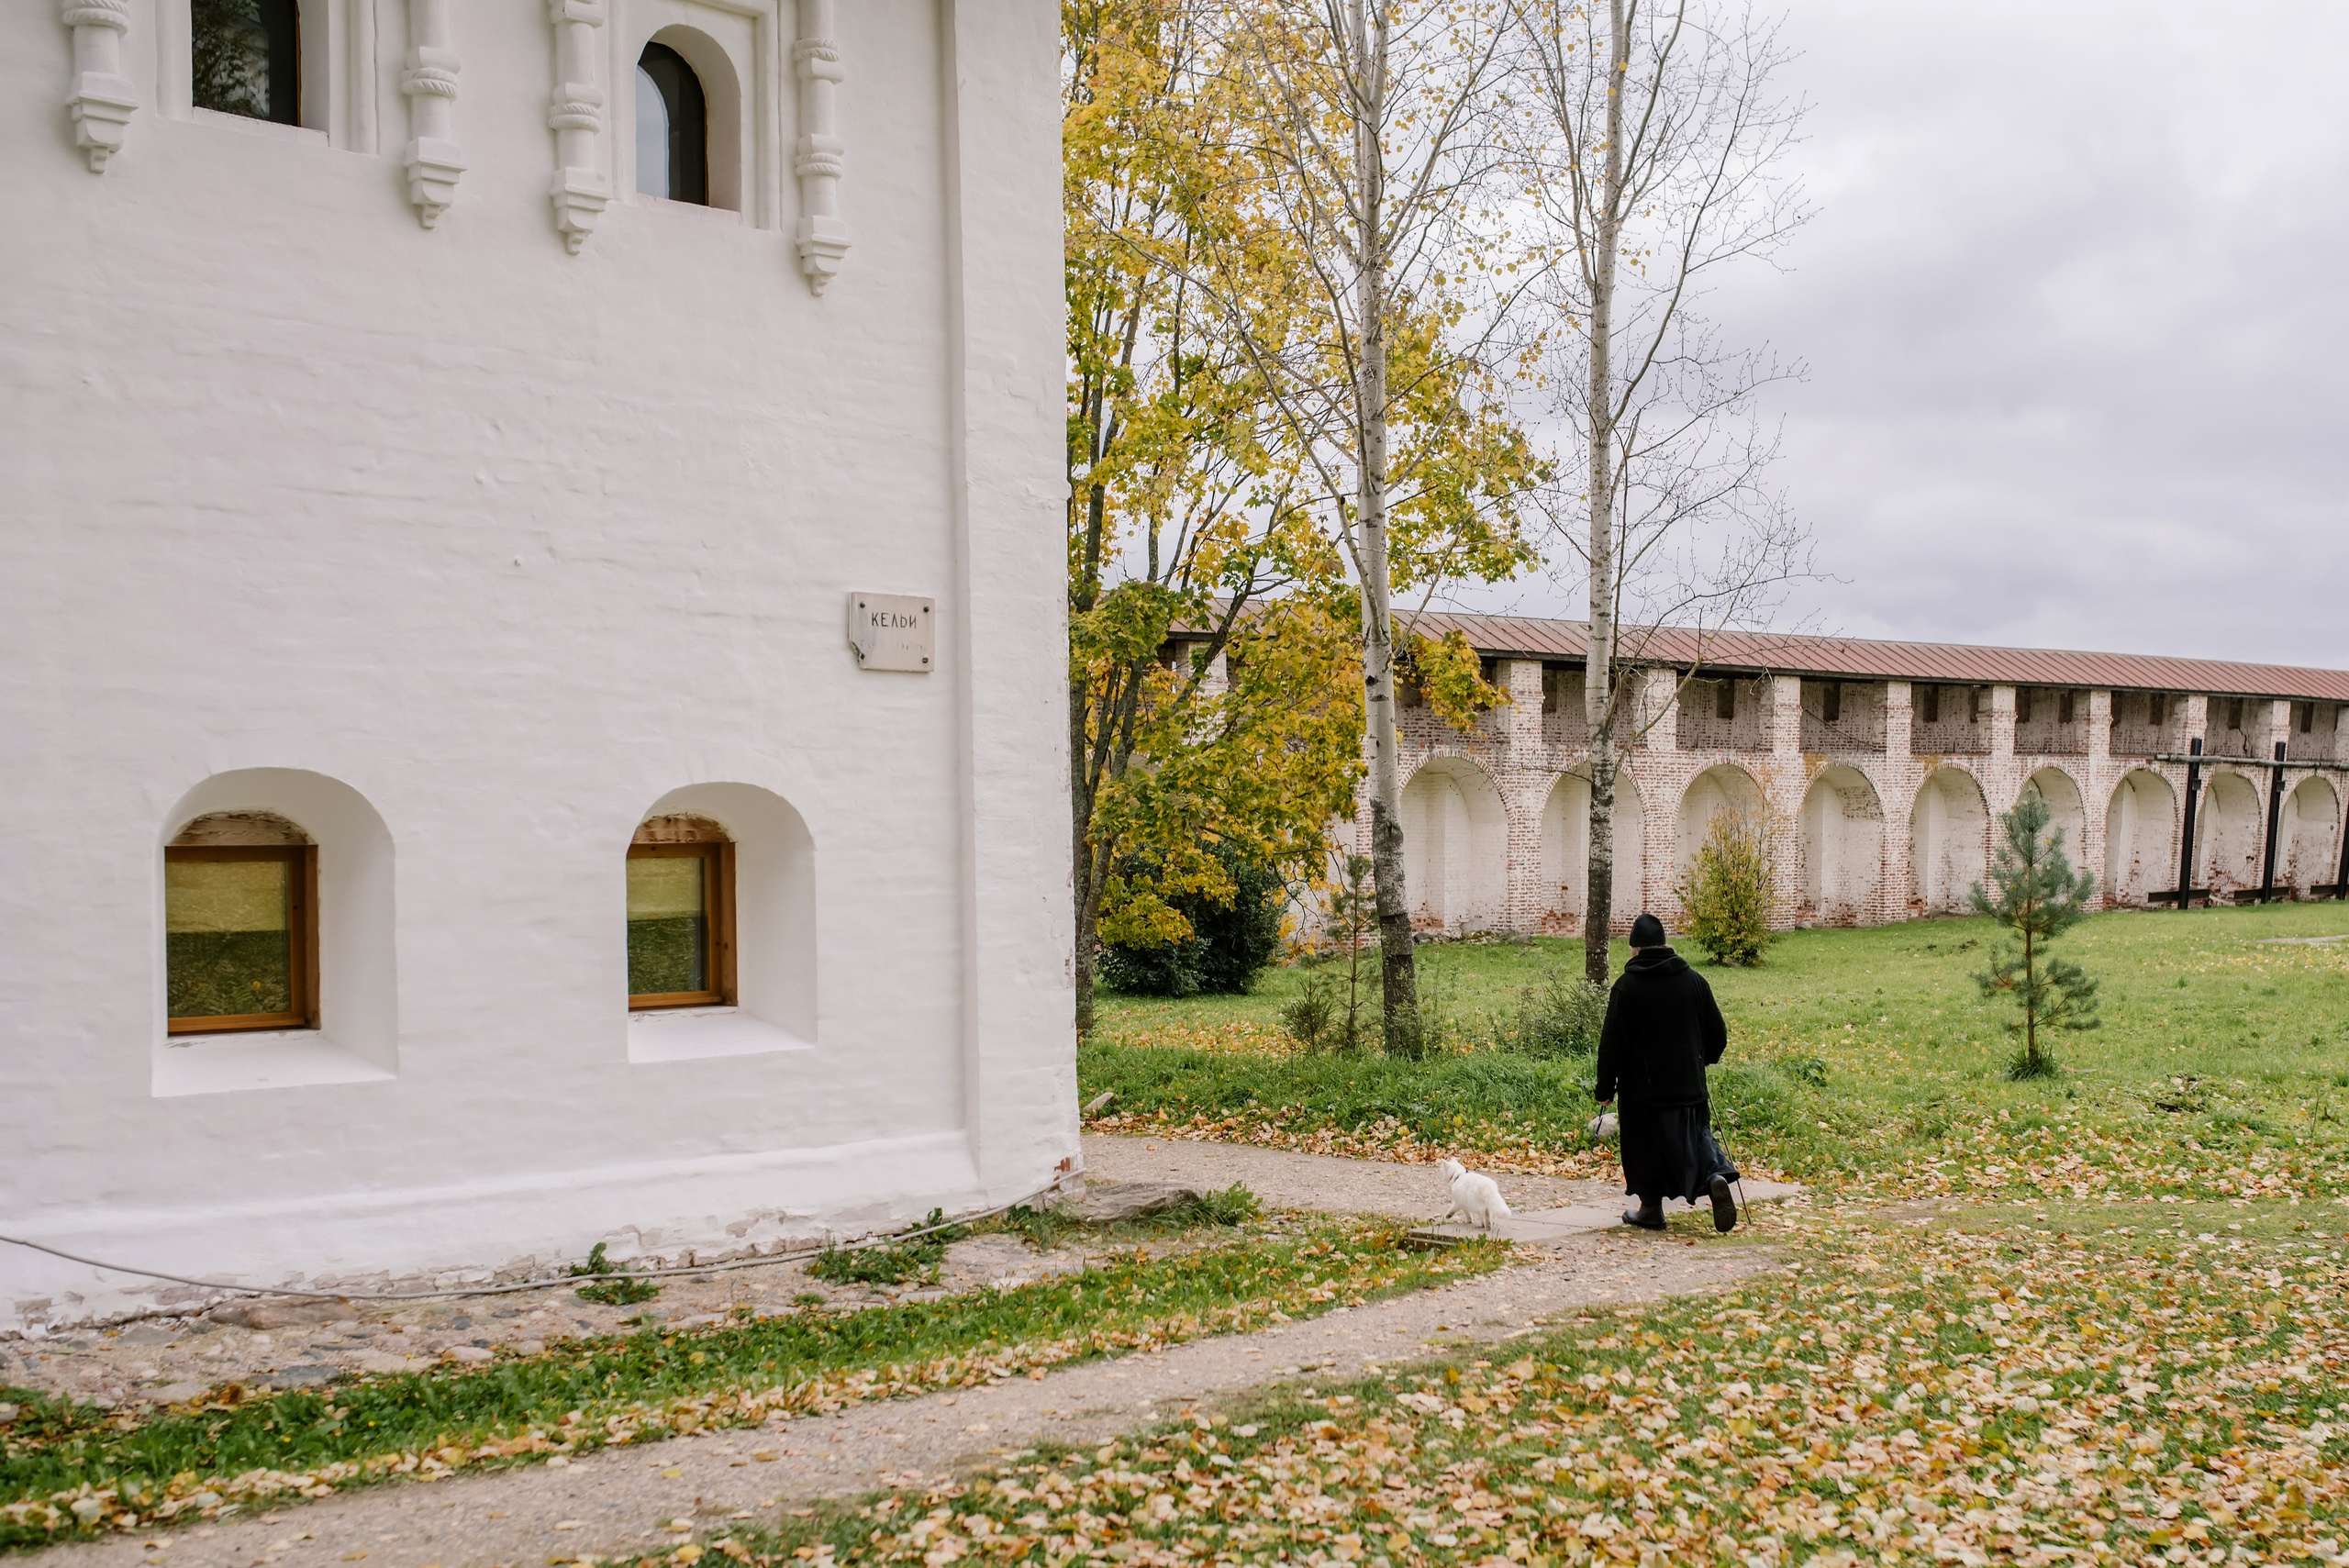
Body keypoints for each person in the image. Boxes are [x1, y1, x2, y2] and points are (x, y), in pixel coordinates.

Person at [1593, 912, 1741, 1232]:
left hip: (1642, 1092)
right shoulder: (1695, 982)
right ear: (1664, 945)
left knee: (1644, 1149)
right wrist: (1705, 1059)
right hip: (1689, 1083)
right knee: (1695, 1136)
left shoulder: (1627, 987)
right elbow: (1718, 1033)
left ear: (1635, 950)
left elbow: (1612, 1045)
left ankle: (1650, 1209)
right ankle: (1714, 1175)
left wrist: (1605, 1089)